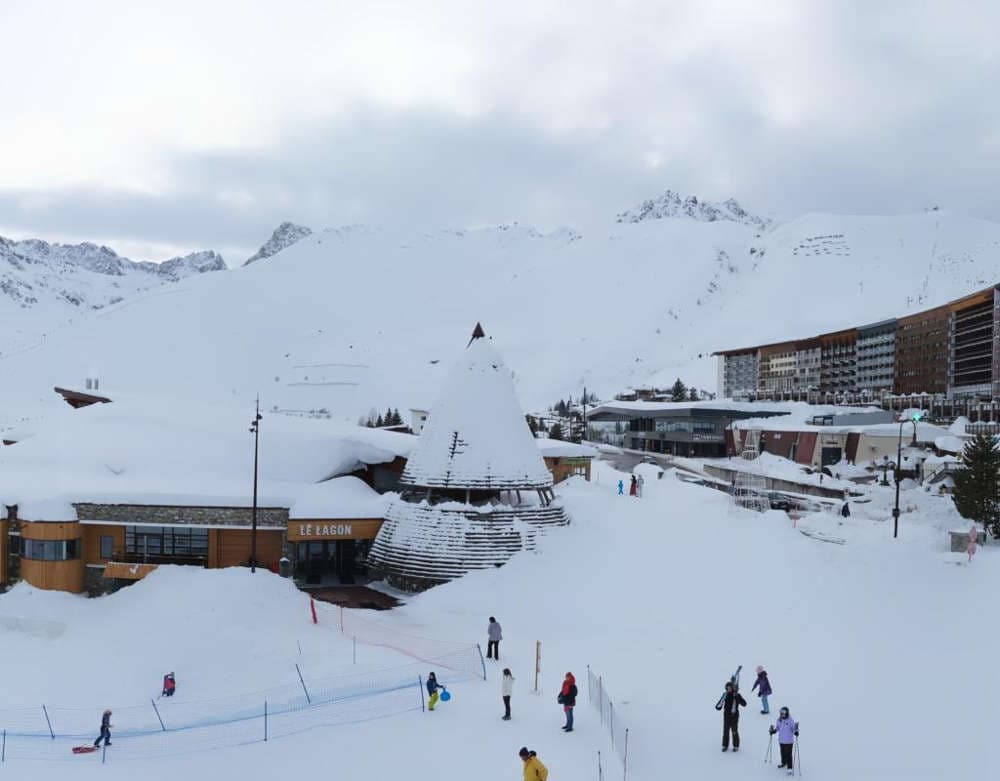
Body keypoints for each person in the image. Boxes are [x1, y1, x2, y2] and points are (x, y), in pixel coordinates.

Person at [715, 681, 746, 751]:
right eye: (727, 688)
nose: (728, 689)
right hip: (726, 716)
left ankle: (736, 746)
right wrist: (722, 700)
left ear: (732, 688)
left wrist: (737, 697)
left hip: (734, 716)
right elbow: (718, 707)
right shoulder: (725, 694)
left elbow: (744, 704)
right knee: (726, 731)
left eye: (730, 688)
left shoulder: (737, 695)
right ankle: (725, 745)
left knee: (734, 731)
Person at [769, 706, 799, 775]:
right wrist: (773, 731)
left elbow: (793, 728)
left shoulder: (790, 720)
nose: (782, 715)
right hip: (781, 740)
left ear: (787, 713)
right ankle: (783, 762)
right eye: (781, 713)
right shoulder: (779, 720)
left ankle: (790, 768)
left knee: (788, 754)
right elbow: (777, 728)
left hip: (789, 741)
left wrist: (795, 732)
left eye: (783, 713)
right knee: (782, 753)